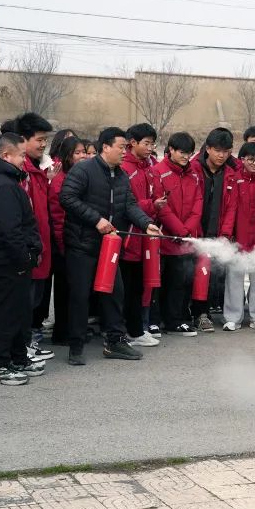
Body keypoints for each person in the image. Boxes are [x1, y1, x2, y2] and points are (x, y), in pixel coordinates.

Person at [59, 127, 161, 365]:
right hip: (82, 245)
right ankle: (76, 347)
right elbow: (67, 198)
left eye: (126, 147)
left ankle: (114, 341)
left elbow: (130, 205)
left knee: (115, 293)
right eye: (121, 147)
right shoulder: (84, 170)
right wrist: (96, 219)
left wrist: (147, 224)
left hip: (110, 248)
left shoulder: (122, 175)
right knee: (80, 296)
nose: (125, 152)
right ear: (105, 147)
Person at [0, 133, 44, 386]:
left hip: (11, 257)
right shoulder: (2, 185)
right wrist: (24, 256)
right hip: (7, 259)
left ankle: (17, 357)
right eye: (22, 156)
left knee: (18, 310)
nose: (24, 161)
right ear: (6, 156)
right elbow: (10, 229)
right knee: (8, 311)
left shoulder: (4, 180)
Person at [12, 112, 56, 362]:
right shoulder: (20, 171)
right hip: (28, 248)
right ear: (22, 139)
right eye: (39, 139)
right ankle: (20, 347)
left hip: (40, 246)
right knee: (23, 301)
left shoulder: (37, 170)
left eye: (44, 140)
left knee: (35, 299)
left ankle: (27, 343)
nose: (42, 144)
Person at [151, 131, 203, 337]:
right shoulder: (158, 171)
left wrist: (188, 229)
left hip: (185, 239)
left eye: (189, 153)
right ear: (170, 150)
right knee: (157, 281)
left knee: (180, 282)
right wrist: (179, 230)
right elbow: (160, 206)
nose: (185, 157)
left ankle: (175, 320)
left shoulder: (194, 173)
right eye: (181, 152)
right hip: (165, 238)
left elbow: (198, 204)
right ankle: (154, 321)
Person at [119, 123, 161, 347]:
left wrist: (154, 206)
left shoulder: (147, 168)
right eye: (146, 143)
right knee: (130, 287)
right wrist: (151, 205)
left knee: (141, 285)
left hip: (143, 233)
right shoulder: (125, 168)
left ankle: (137, 329)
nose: (150, 147)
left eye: (152, 143)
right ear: (132, 143)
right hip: (129, 237)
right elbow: (129, 205)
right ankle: (131, 332)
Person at [219, 142, 255, 332]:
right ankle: (232, 317)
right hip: (237, 236)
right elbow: (230, 209)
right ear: (242, 160)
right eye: (250, 159)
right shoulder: (234, 178)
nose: (254, 163)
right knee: (234, 277)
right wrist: (226, 233)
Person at [192, 128, 237, 332]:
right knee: (184, 275)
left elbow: (231, 208)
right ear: (207, 148)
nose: (222, 155)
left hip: (216, 233)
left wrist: (226, 235)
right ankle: (183, 314)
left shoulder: (230, 174)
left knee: (208, 276)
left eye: (226, 151)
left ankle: (203, 314)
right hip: (192, 232)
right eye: (218, 150)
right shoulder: (193, 169)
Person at [48, 135, 86, 347]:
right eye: (77, 153)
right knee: (64, 290)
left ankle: (72, 329)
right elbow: (58, 218)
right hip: (65, 243)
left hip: (78, 242)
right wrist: (63, 246)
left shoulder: (81, 177)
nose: (82, 157)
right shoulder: (60, 182)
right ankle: (62, 332)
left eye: (83, 152)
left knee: (75, 289)